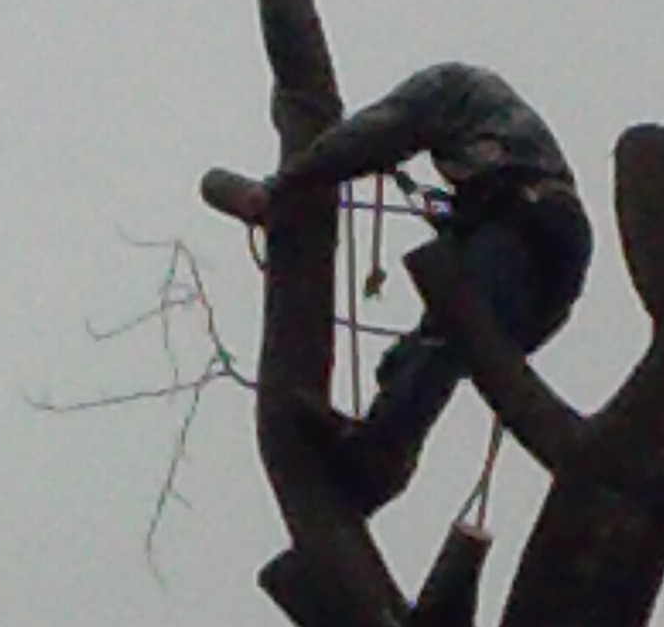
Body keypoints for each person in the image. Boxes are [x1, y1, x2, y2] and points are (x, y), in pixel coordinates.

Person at [253, 63, 591, 512]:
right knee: (411, 359)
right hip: (548, 255)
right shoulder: (495, 134)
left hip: (528, 227)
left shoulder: (444, 90)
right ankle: (380, 444)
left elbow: (375, 134)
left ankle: (378, 458)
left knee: (439, 345)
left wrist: (292, 179)